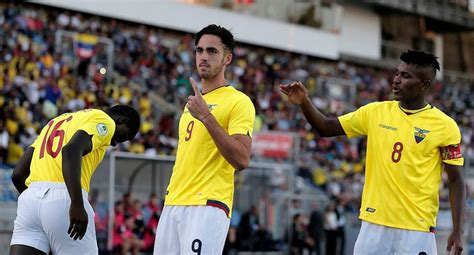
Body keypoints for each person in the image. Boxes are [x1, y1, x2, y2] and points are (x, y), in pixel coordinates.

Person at [280, 50, 465, 254]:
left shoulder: (445, 126)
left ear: (424, 85)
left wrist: (458, 230)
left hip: (417, 230)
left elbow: (456, 180)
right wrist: (304, 102)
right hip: (374, 224)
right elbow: (325, 127)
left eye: (405, 76)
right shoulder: (375, 112)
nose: (396, 80)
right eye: (397, 73)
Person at [153, 24, 256, 255]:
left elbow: (242, 159)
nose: (203, 57)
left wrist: (207, 117)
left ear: (227, 58)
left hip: (208, 205)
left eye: (212, 51)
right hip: (174, 203)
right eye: (199, 51)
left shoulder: (238, 102)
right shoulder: (192, 105)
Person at [10, 105, 140, 255]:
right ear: (121, 119)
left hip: (29, 201)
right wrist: (77, 203)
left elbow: (18, 174)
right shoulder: (105, 121)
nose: (115, 143)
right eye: (123, 137)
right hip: (65, 198)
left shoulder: (56, 122)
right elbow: (71, 149)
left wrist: (35, 202)